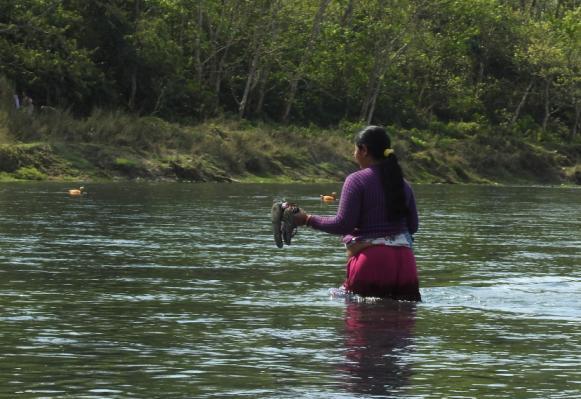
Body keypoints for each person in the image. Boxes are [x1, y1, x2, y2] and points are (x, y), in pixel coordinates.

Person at [294, 125, 421, 301]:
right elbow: (413, 227)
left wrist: (307, 219)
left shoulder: (356, 180)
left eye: (355, 149)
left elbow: (343, 224)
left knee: (360, 323)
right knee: (401, 324)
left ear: (364, 150)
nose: (354, 154)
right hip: (406, 263)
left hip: (371, 263)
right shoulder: (403, 184)